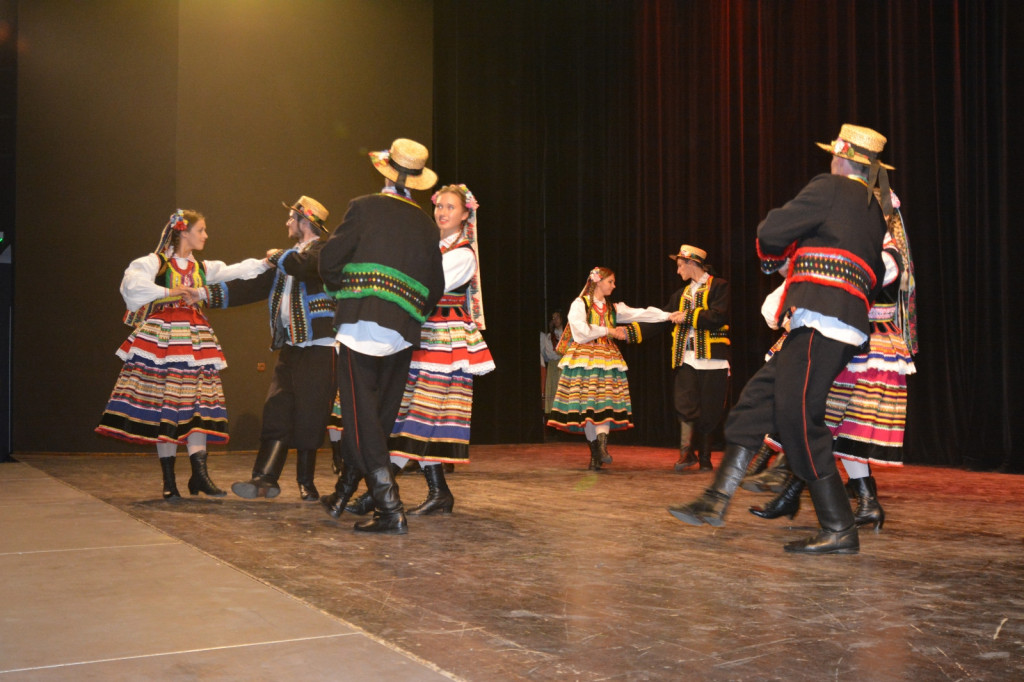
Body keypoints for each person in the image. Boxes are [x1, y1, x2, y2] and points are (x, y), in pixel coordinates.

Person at [667, 124, 891, 555]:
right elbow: (879, 276)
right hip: (834, 323)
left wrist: (778, 260)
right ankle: (715, 500)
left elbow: (771, 230)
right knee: (755, 403)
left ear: (840, 158)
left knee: (798, 420)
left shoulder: (830, 187)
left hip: (821, 319)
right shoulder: (873, 209)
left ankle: (839, 526)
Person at [752, 191, 917, 529]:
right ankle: (857, 499)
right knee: (831, 422)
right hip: (850, 339)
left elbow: (865, 279)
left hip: (866, 345)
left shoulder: (886, 251)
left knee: (830, 421)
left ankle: (796, 492)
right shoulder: (868, 244)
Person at [317, 138, 445, 535]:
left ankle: (390, 507)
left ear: (386, 171)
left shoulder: (364, 207)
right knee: (377, 419)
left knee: (358, 420)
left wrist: (345, 293)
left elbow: (330, 260)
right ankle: (344, 494)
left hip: (361, 325)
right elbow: (435, 285)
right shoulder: (426, 222)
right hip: (403, 332)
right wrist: (411, 311)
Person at [96, 209, 269, 499]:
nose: (205, 235)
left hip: (194, 340)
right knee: (168, 405)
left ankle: (200, 476)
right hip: (163, 339)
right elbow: (132, 286)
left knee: (198, 402)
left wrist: (266, 262)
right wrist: (170, 293)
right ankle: (169, 480)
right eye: (201, 230)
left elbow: (234, 271)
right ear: (183, 232)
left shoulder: (202, 268)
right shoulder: (156, 263)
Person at [197, 197, 336, 502]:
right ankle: (264, 478)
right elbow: (252, 287)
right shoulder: (287, 259)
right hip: (290, 346)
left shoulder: (324, 251)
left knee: (311, 412)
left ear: (305, 222)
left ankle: (306, 482)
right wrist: (202, 294)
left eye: (291, 218)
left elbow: (307, 266)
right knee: (277, 409)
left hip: (319, 345)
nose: (286, 223)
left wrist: (279, 256)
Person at [379, 183, 495, 515]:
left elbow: (427, 285)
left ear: (464, 214)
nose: (442, 212)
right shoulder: (433, 247)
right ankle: (436, 491)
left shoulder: (461, 253)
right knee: (420, 412)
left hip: (446, 341)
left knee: (423, 412)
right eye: (439, 206)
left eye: (449, 207)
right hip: (424, 335)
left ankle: (379, 488)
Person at [546, 266, 682, 470]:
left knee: (604, 403)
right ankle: (595, 454)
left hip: (607, 359)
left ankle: (602, 448)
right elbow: (580, 332)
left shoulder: (612, 307)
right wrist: (609, 330)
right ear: (598, 282)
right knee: (589, 408)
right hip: (584, 358)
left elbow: (640, 313)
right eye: (611, 281)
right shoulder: (579, 304)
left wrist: (668, 315)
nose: (614, 285)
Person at [661, 245, 731, 473]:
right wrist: (630, 328)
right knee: (684, 404)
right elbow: (663, 317)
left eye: (680, 265)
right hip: (686, 357)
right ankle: (686, 453)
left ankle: (706, 457)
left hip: (713, 359)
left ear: (692, 264)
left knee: (710, 410)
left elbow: (717, 316)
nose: (678, 271)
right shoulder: (679, 295)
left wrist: (688, 316)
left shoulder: (719, 286)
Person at [540, 310, 564, 418]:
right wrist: (560, 353)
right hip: (554, 365)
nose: (555, 320)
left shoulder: (567, 334)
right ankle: (555, 416)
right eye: (553, 318)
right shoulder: (550, 336)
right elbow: (550, 353)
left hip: (564, 363)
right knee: (554, 388)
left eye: (557, 317)